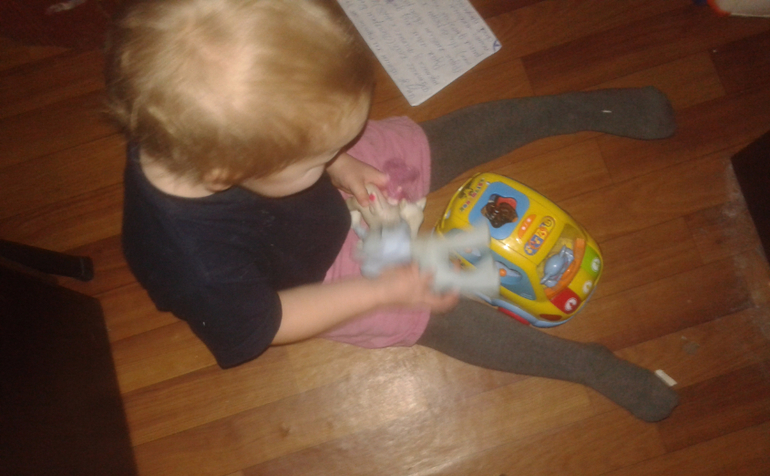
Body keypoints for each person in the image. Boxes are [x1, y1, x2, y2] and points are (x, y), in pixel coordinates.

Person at [105, 0, 679, 421]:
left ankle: (578, 110)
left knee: (426, 142)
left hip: (304, 185)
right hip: (314, 279)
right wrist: (383, 289)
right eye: (320, 153)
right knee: (425, 306)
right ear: (227, 171)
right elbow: (269, 323)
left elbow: (297, 145)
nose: (335, 152)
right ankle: (583, 365)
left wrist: (338, 164)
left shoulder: (214, 126)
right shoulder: (196, 268)